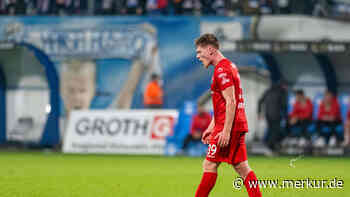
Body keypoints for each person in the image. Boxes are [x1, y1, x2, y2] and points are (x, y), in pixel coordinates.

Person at [194, 34, 262, 197]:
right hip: (233, 124)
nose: (198, 56)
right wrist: (211, 127)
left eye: (199, 52)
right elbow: (222, 105)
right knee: (242, 168)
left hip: (228, 126)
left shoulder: (222, 70)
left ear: (210, 50)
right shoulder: (228, 66)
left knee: (209, 165)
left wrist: (225, 131)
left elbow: (231, 101)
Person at [60, 59, 96, 140]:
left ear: (93, 91)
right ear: (61, 91)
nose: (76, 97)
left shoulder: (103, 127)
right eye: (71, 90)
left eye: (82, 90)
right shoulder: (54, 128)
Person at [257, 80, 288, 154]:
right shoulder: (281, 92)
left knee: (271, 131)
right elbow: (284, 105)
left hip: (268, 115)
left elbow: (260, 101)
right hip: (276, 115)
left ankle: (272, 147)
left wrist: (259, 112)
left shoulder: (268, 91)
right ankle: (270, 147)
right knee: (276, 131)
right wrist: (286, 116)